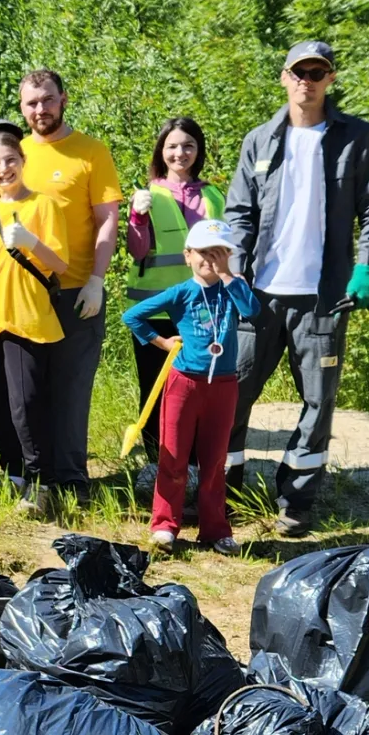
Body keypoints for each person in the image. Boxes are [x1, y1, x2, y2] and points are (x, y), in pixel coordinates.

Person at [224, 41, 369, 537]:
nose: (308, 80)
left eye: (317, 72)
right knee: (234, 392)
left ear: (330, 79)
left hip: (323, 296)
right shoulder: (260, 140)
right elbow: (239, 213)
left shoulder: (356, 139)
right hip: (258, 293)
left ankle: (295, 502)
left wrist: (365, 267)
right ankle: (223, 489)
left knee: (318, 403)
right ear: (284, 77)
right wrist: (234, 271)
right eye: (300, 72)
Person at [0, 125, 70, 518]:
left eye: (10, 160)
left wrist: (31, 242)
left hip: (27, 320)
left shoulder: (44, 205)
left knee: (26, 405)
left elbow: (61, 265)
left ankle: (42, 483)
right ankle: (14, 474)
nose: (4, 169)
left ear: (22, 162)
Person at [122, 219, 255, 556]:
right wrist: (161, 342)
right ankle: (164, 525)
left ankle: (215, 530)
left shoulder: (233, 286)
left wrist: (228, 276)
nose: (210, 259)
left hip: (223, 386)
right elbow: (133, 316)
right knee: (174, 457)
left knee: (214, 462)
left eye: (219, 252)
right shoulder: (181, 292)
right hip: (184, 384)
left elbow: (253, 311)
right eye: (203, 252)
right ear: (187, 255)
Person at [17, 70, 122, 497]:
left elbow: (107, 220)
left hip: (78, 291)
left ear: (62, 98)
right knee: (31, 393)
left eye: (46, 100)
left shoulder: (91, 152)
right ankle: (37, 479)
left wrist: (97, 279)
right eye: (31, 103)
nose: (40, 109)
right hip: (26, 295)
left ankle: (73, 480)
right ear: (22, 108)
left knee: (72, 389)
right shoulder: (16, 154)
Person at [125, 117, 224, 475]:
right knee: (154, 388)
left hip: (202, 309)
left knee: (197, 389)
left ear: (198, 151)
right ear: (161, 152)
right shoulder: (149, 194)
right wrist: (137, 216)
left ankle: (194, 468)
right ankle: (155, 464)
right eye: (172, 146)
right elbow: (137, 252)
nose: (180, 153)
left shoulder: (213, 196)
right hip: (154, 309)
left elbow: (227, 251)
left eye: (188, 146)